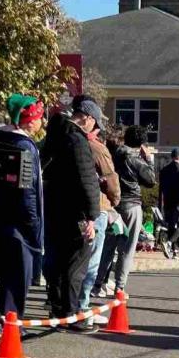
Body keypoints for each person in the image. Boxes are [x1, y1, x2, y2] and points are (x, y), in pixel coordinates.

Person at [40, 97, 102, 332]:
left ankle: (57, 309)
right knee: (76, 264)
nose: (94, 129)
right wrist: (91, 216)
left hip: (54, 208)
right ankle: (70, 313)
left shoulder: (54, 136)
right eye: (94, 123)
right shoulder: (77, 140)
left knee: (56, 261)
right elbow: (87, 180)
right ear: (86, 117)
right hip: (75, 211)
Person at [0, 94, 44, 320]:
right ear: (30, 120)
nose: (41, 123)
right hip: (20, 225)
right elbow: (28, 191)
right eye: (39, 118)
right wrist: (34, 224)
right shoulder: (24, 146)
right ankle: (10, 326)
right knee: (17, 278)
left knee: (0, 274)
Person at [79, 111, 121, 328]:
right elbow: (111, 179)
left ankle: (63, 305)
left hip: (71, 209)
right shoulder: (96, 148)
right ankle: (82, 307)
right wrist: (114, 201)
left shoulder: (65, 142)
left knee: (74, 259)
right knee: (91, 259)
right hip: (96, 208)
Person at [108, 125, 157, 294]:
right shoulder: (135, 159)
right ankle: (120, 286)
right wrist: (149, 160)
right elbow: (150, 180)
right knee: (127, 249)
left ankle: (98, 282)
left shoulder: (114, 154)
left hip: (114, 206)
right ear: (142, 144)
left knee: (109, 245)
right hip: (132, 206)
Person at [159, 147, 179, 259]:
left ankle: (174, 250)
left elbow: (161, 188)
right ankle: (169, 242)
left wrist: (161, 203)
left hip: (167, 202)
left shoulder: (164, 170)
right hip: (178, 203)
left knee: (172, 225)